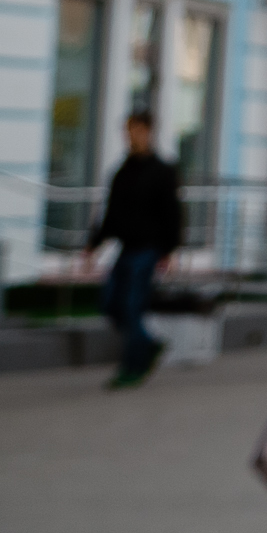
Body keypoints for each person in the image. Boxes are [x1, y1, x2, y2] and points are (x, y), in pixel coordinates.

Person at [90, 111, 182, 390]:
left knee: (132, 307)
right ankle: (148, 344)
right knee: (111, 304)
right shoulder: (122, 172)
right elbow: (111, 214)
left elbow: (173, 213)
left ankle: (131, 368)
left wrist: (169, 251)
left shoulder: (163, 172)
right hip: (126, 249)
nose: (130, 135)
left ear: (148, 131)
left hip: (148, 250)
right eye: (128, 130)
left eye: (136, 130)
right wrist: (93, 246)